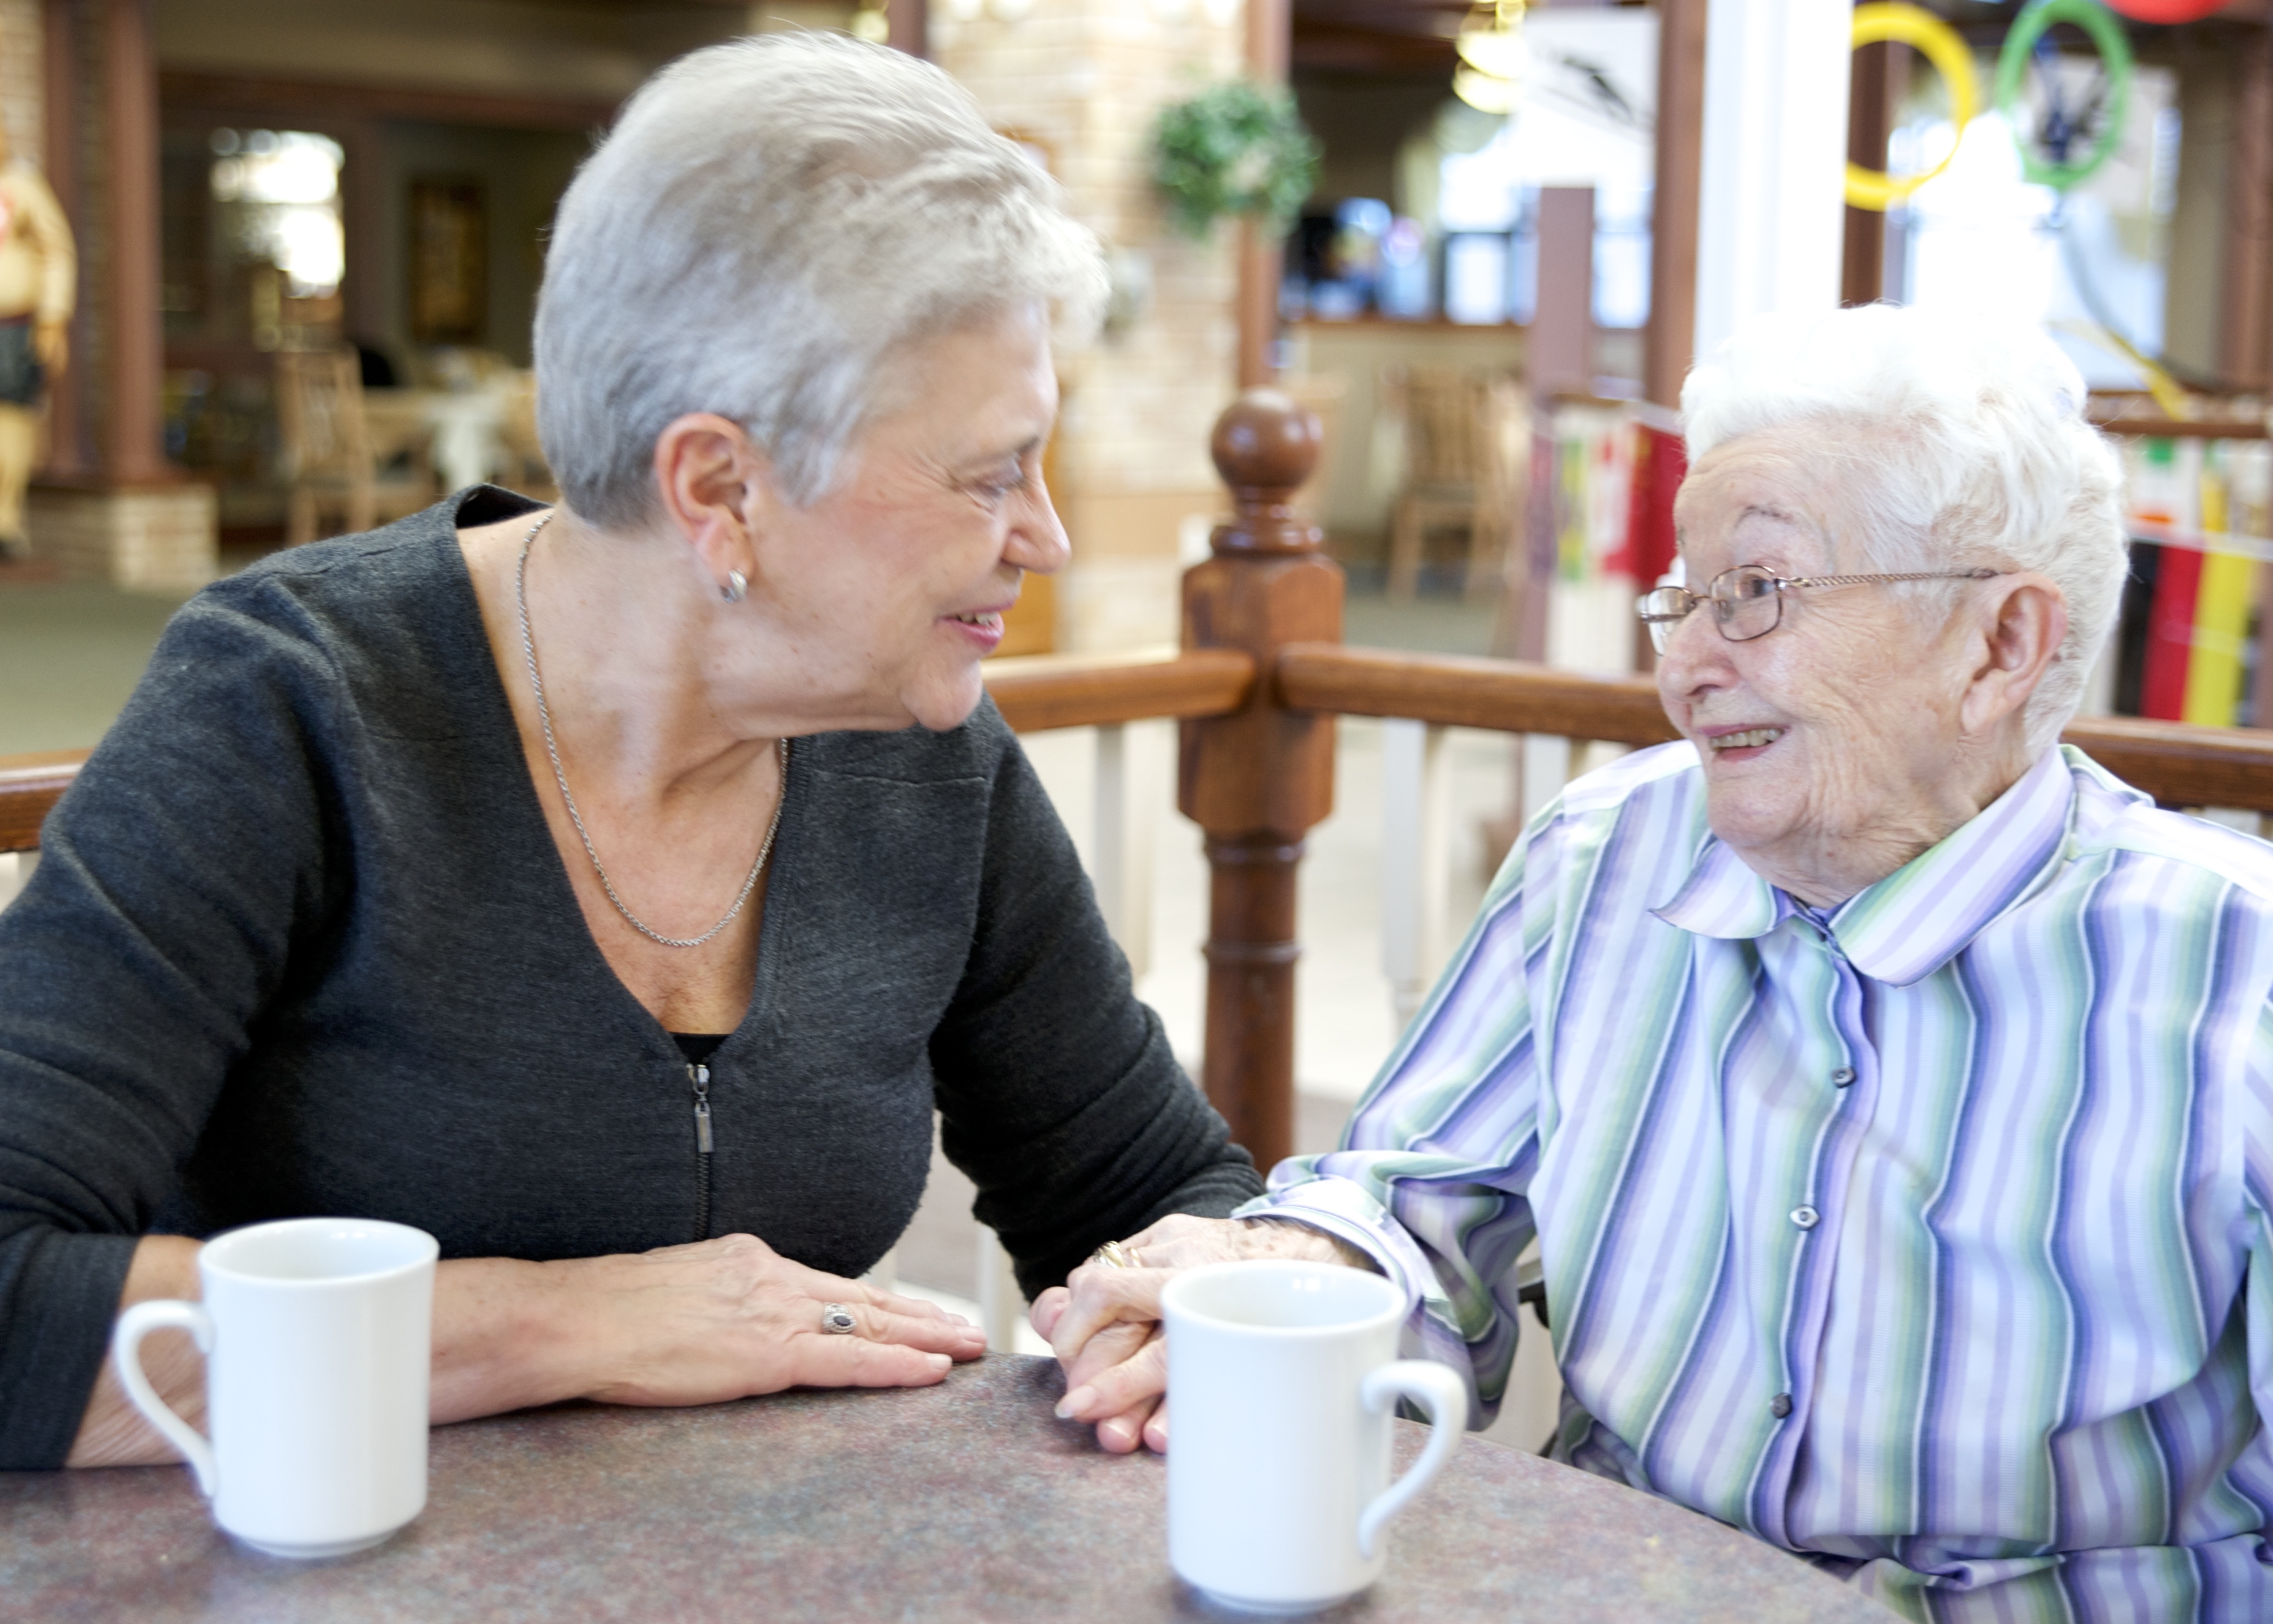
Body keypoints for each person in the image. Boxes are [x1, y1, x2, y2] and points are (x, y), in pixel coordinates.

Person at [0, 34, 1262, 1472]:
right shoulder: (287, 705)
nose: (1047, 535)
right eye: (989, 472)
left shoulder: (925, 755)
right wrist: (570, 1324)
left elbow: (1162, 1186)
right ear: (720, 490)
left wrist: (1161, 1306)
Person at [1042, 304, 2273, 1619]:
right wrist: (1280, 1269)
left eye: (1754, 594)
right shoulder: (1604, 854)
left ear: (1999, 645)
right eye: (1680, 601)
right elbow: (1411, 1200)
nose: (1682, 668)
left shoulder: (2232, 972)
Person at [0, 111, 73, 559]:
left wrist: (53, 318)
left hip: (11, 330)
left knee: (10, 428)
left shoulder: (22, 188)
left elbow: (57, 252)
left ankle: (5, 522)